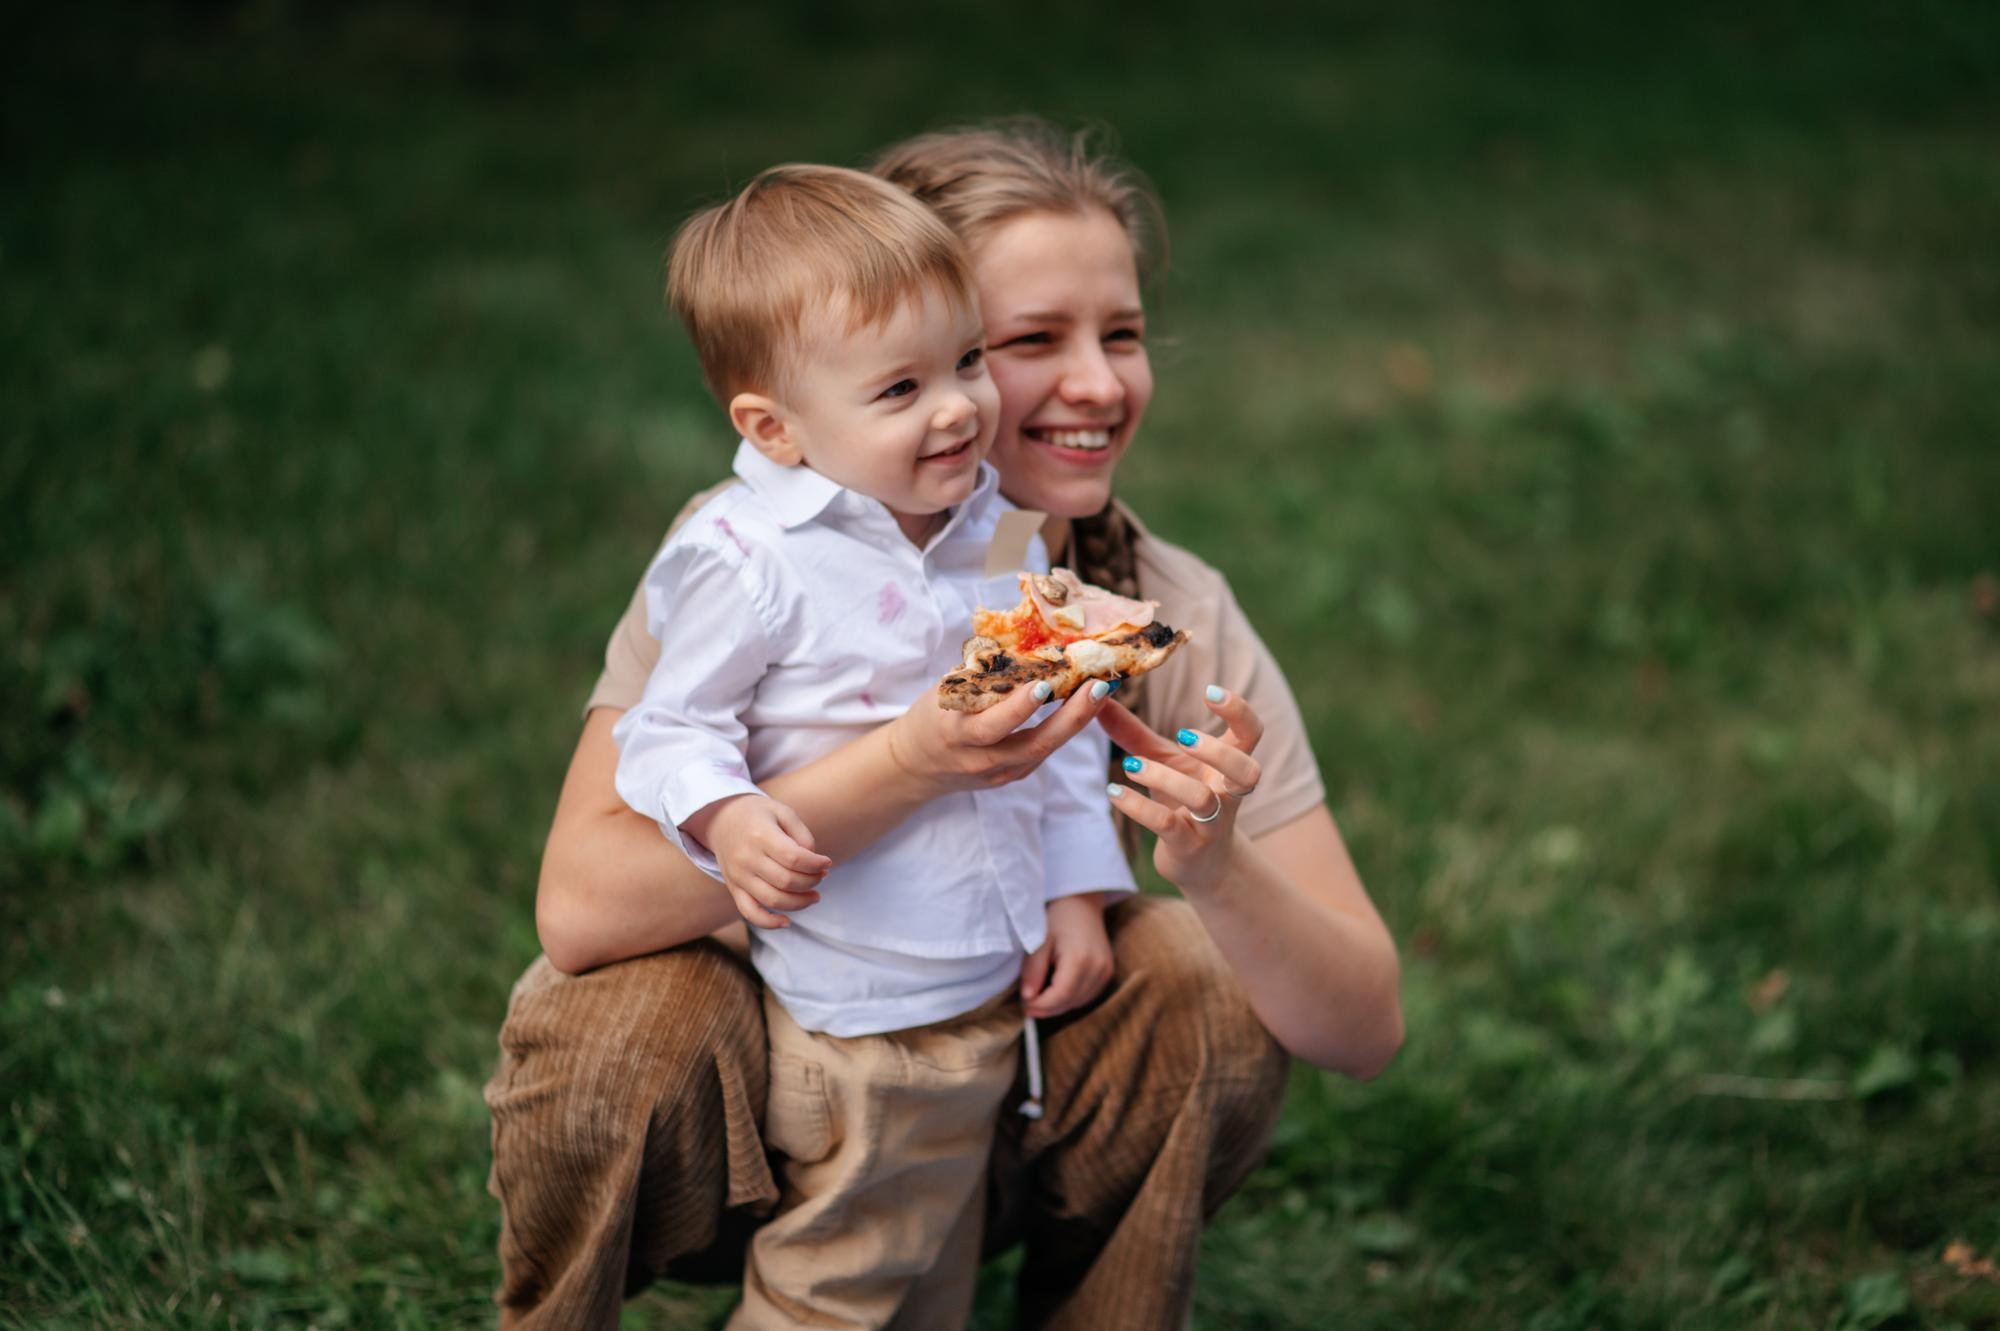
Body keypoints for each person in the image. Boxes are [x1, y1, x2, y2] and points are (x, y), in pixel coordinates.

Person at [485, 118, 1405, 1331]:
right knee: (610, 1020)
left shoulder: (1137, 601)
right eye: (1030, 339)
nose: (1096, 382)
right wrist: (906, 763)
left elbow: (1363, 1023)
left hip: (976, 1079)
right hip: (765, 1085)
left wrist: (1212, 863)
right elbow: (583, 904)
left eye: (1120, 333)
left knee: (1198, 979)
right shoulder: (752, 555)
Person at [610, 160, 1138, 1330]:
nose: (957, 407)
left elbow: (1046, 727)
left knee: (922, 1291)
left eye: (962, 362)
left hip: (980, 999)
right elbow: (668, 731)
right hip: (862, 1016)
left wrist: (1077, 886)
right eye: (900, 388)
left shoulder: (995, 529)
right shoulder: (749, 560)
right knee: (832, 1296)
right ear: (774, 426)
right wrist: (729, 815)